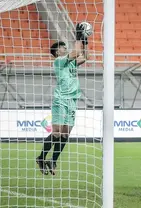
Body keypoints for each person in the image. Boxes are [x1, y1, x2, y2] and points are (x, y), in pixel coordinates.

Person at [36, 23, 89, 175]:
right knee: (57, 132)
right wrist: (79, 36)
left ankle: (53, 160)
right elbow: (76, 52)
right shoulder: (59, 61)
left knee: (66, 133)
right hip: (60, 99)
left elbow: (85, 56)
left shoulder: (71, 62)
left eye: (65, 47)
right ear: (56, 52)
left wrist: (85, 40)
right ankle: (41, 158)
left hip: (72, 100)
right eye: (62, 47)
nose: (64, 48)